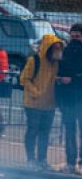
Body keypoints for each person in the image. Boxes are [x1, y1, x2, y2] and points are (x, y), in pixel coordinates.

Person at [20, 34, 63, 171]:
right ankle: (31, 160)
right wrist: (35, 92)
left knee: (45, 133)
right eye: (55, 47)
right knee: (33, 131)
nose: (58, 50)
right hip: (33, 104)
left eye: (59, 47)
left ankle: (42, 160)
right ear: (48, 47)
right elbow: (24, 79)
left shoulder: (56, 63)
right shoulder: (35, 60)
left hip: (49, 104)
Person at [56, 23, 82, 174]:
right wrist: (60, 79)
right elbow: (59, 70)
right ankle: (70, 163)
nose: (74, 39)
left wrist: (72, 79)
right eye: (72, 36)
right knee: (69, 131)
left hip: (80, 96)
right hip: (67, 98)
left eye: (77, 36)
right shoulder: (65, 52)